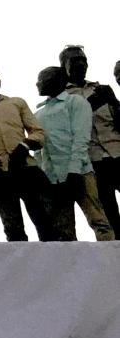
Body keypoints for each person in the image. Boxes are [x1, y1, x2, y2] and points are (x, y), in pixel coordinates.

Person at [0, 65, 53, 241]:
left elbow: (38, 133)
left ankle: (55, 264)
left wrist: (24, 146)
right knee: (12, 227)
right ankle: (22, 267)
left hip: (27, 169)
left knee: (45, 221)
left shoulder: (16, 103)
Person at [34, 66, 108, 241]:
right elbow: (40, 149)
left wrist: (74, 170)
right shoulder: (39, 113)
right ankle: (73, 267)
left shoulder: (75, 102)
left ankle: (112, 261)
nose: (37, 83)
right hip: (53, 178)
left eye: (42, 78)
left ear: (58, 80)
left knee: (98, 220)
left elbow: (81, 138)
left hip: (79, 172)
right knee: (63, 229)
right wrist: (43, 175)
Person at [60, 45, 120, 234]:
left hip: (118, 152)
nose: (80, 64)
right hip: (93, 161)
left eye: (83, 60)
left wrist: (115, 102)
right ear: (64, 66)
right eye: (74, 60)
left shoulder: (102, 88)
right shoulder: (62, 96)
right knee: (109, 212)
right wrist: (92, 103)